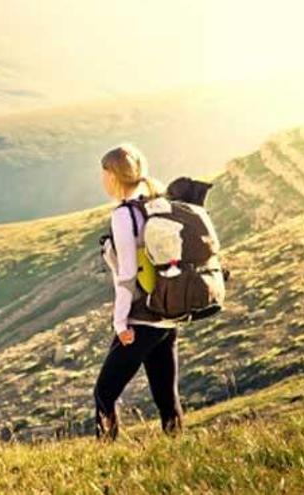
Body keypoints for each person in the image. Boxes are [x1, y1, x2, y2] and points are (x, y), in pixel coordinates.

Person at [94, 143, 184, 440]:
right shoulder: (156, 204)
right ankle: (179, 451)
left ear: (114, 175)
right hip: (167, 315)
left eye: (104, 172)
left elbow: (128, 274)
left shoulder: (124, 215)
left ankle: (106, 457)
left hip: (141, 319)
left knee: (104, 393)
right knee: (166, 399)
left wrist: (120, 324)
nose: (101, 179)